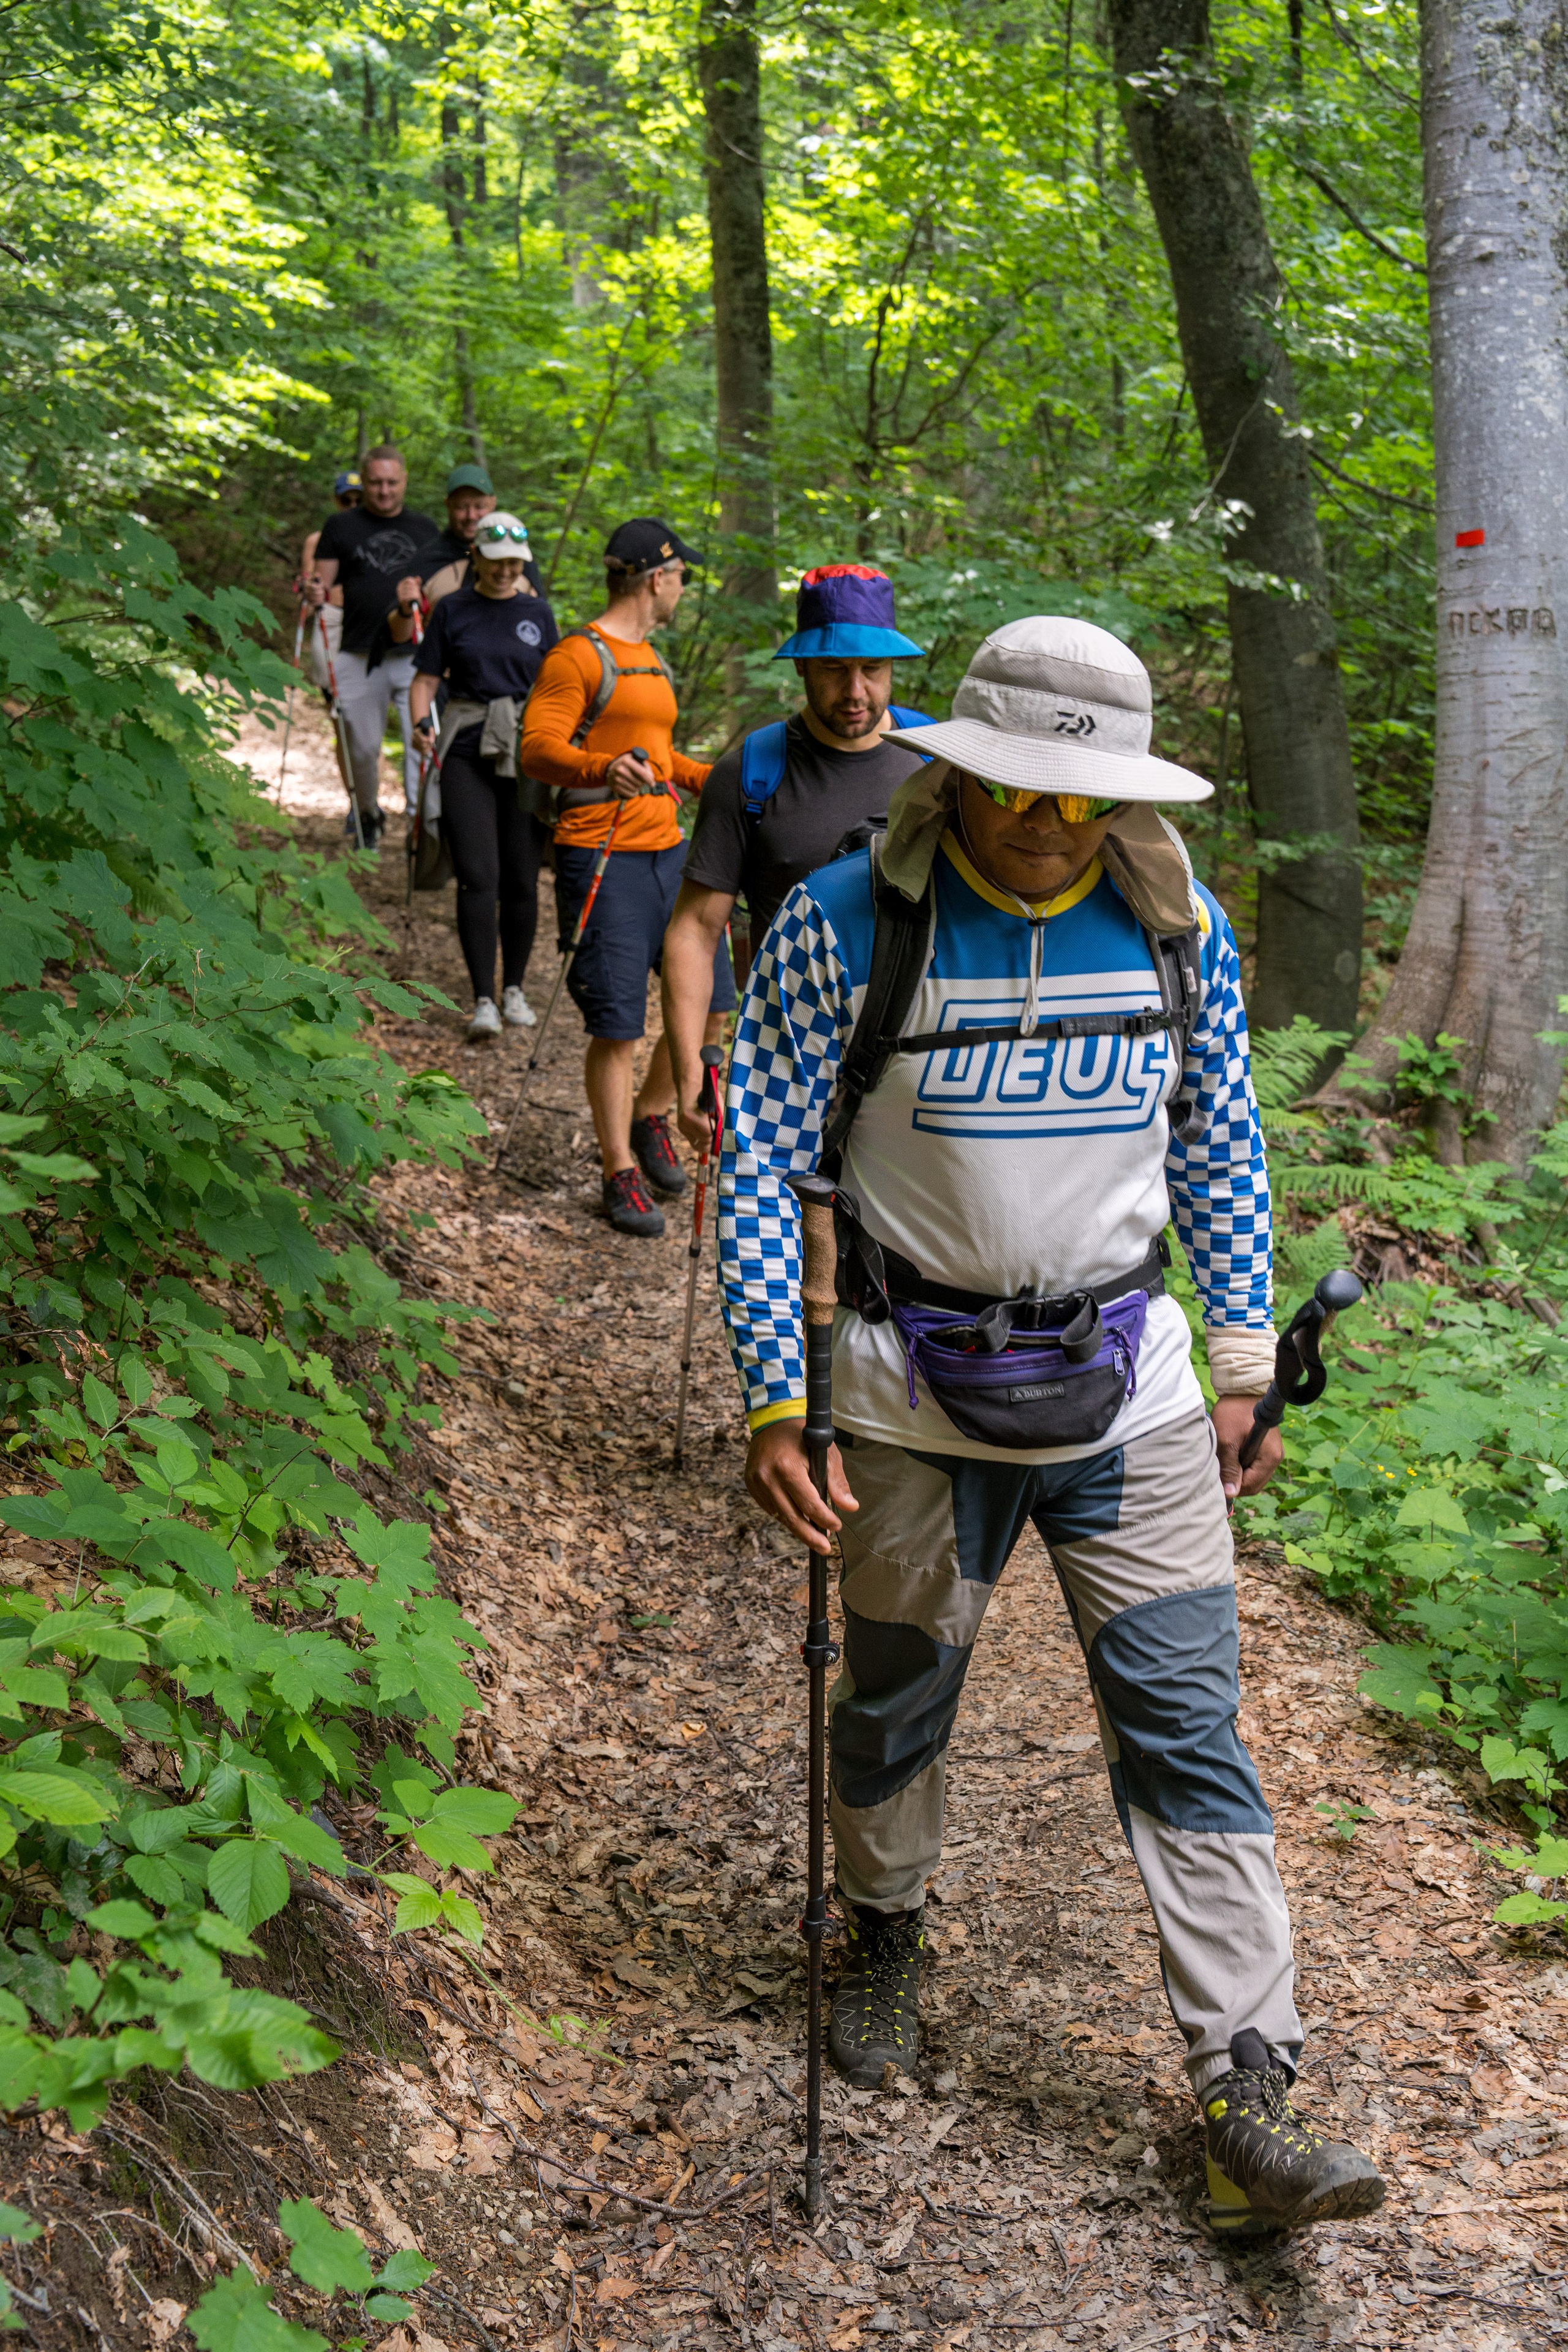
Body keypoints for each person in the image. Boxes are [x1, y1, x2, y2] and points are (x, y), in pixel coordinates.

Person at [717, 614, 1386, 2239]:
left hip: (1132, 1393)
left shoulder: (1176, 928)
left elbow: (1221, 1149)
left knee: (1186, 1724)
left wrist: (1241, 1361)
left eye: (1083, 798)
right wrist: (774, 1391)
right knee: (893, 1697)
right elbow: (758, 1157)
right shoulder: (845, 921)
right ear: (961, 770)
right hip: (904, 1396)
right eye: (1019, 787)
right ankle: (880, 1928)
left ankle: (1248, 2084)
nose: (1048, 820)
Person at [662, 563, 931, 1153]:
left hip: (919, 1058)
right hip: (786, 1055)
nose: (856, 690)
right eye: (835, 669)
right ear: (803, 665)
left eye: (873, 670)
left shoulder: (934, 764)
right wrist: (690, 1078)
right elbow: (695, 930)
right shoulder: (751, 773)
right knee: (780, 1240)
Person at [519, 518, 736, 1240]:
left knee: (709, 1004)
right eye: (681, 575)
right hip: (600, 850)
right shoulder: (578, 656)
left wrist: (724, 782)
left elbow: (660, 757)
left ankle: (650, 1117)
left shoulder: (649, 658)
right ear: (655, 578)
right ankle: (617, 1169)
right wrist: (598, 768)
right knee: (618, 1023)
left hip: (670, 852)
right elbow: (537, 748)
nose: (684, 587)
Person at [410, 516, 558, 1041]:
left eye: (515, 563)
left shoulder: (538, 612)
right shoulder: (452, 609)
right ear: (477, 559)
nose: (505, 572)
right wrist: (420, 724)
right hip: (468, 749)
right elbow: (426, 681)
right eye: (496, 563)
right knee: (479, 875)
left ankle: (514, 987)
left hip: (524, 751)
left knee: (522, 878)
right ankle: (483, 999)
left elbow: (556, 686)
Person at [306, 445, 439, 843]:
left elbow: (439, 591)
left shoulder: (426, 530)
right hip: (358, 651)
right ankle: (367, 813)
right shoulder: (340, 526)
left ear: (404, 481)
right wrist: (314, 593)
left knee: (423, 743)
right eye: (376, 483)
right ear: (364, 482)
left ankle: (422, 827)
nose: (384, 491)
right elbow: (322, 583)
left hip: (414, 656)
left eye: (391, 483)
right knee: (361, 749)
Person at [387, 463, 549, 639]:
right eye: (462, 507)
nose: (471, 516)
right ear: (448, 505)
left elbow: (541, 627)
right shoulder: (429, 560)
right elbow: (398, 636)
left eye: (480, 506)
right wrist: (405, 611)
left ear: (493, 503)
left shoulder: (518, 559)